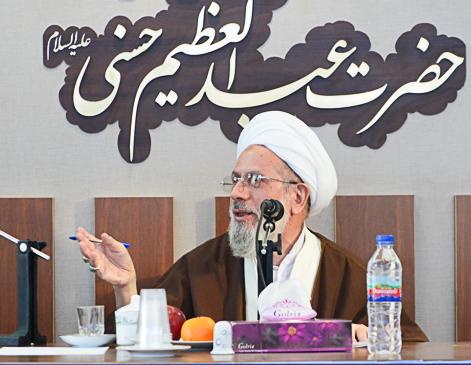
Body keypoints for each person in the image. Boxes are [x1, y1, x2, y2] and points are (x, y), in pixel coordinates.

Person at [77, 111, 427, 343]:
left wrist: (368, 339)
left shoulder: (346, 274)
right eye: (236, 180)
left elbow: (409, 348)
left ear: (298, 197)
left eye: (255, 180)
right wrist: (126, 288)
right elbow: (144, 344)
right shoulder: (204, 267)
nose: (238, 193)